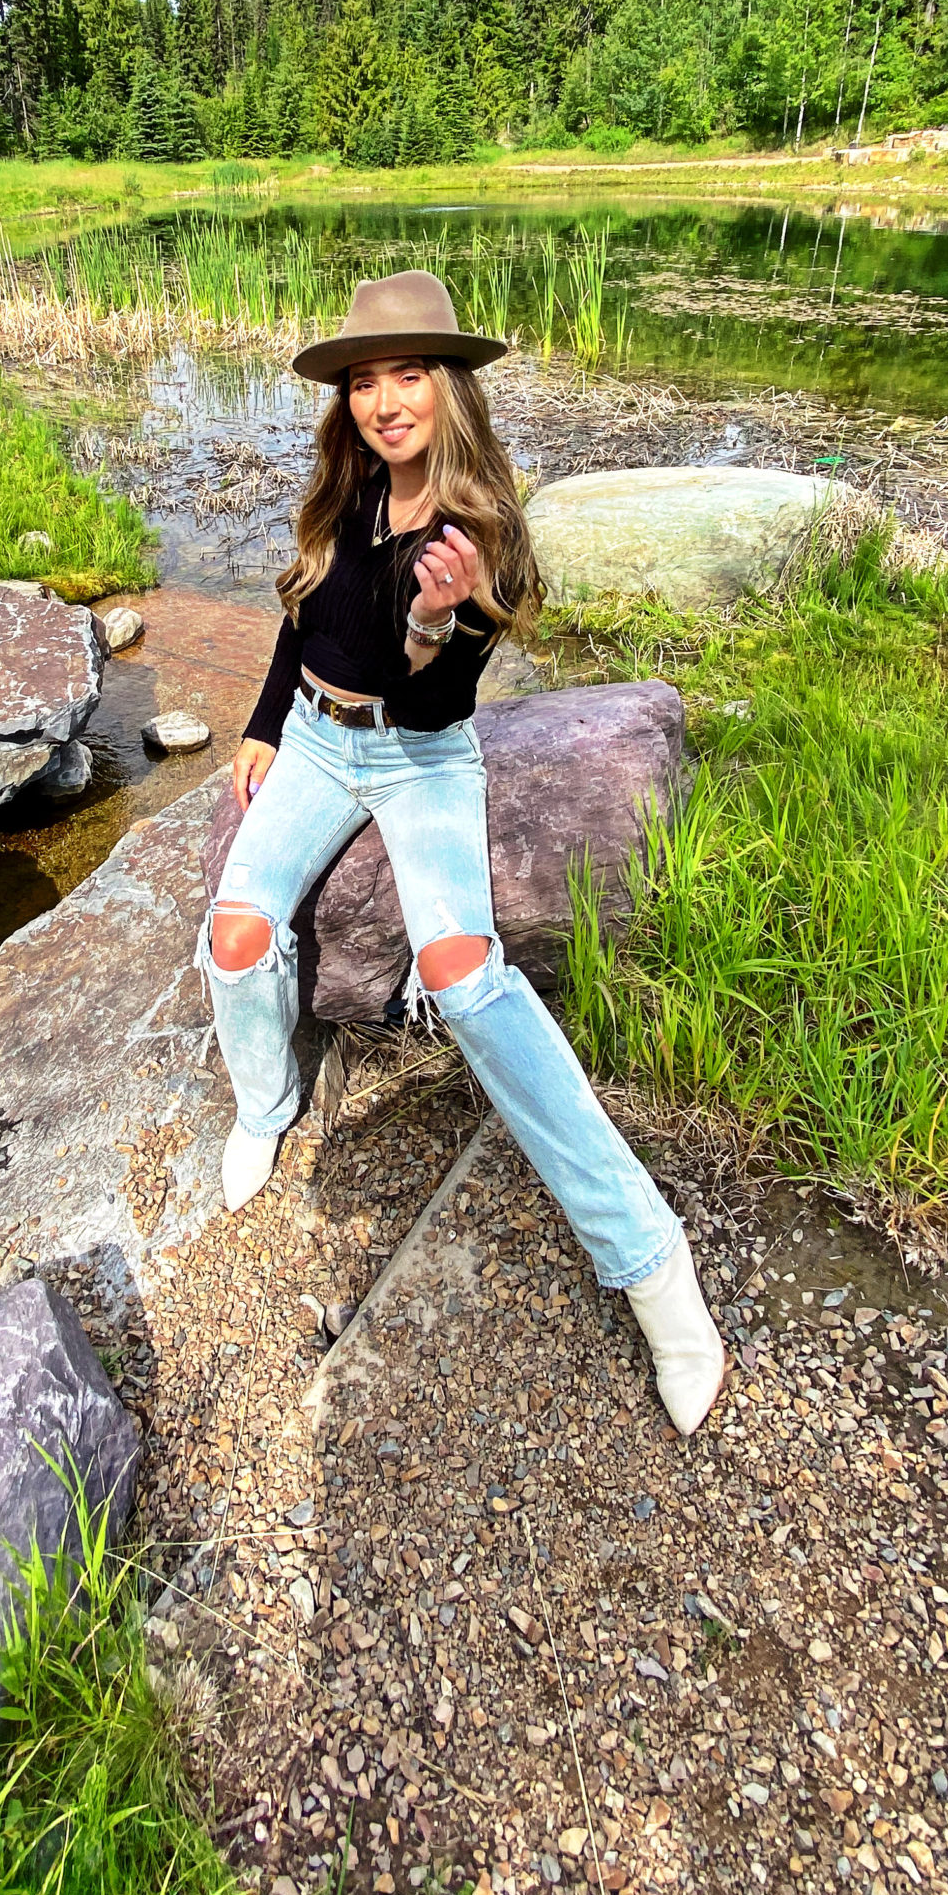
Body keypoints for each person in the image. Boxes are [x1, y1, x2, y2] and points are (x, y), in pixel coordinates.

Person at [198, 270, 725, 1436]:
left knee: (463, 976)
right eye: (365, 381)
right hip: (314, 745)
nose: (384, 400)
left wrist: (443, 619)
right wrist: (257, 725)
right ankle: (264, 1104)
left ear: (449, 388)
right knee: (237, 938)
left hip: (420, 758)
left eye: (409, 376)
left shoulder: (478, 535)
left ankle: (649, 1262)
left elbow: (437, 710)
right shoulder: (346, 492)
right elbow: (301, 620)